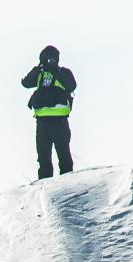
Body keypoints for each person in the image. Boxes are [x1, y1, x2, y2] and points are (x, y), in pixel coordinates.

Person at [21, 45, 77, 180]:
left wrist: (56, 70)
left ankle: (68, 185)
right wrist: (38, 68)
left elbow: (71, 86)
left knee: (64, 156)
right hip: (42, 122)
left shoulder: (63, 72)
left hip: (60, 121)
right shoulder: (39, 74)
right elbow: (26, 83)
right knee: (43, 157)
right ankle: (45, 185)